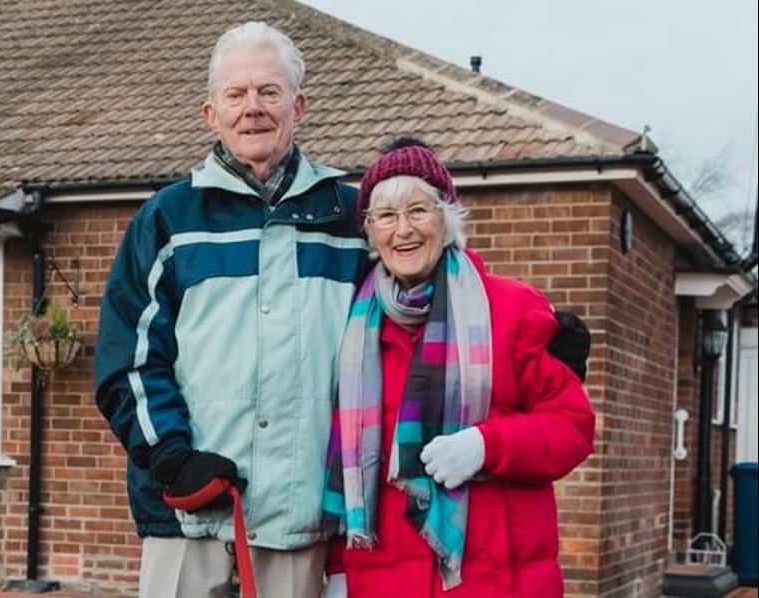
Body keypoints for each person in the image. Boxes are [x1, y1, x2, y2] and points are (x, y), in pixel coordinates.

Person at [94, 21, 591, 598]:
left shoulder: (349, 218)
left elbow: (431, 273)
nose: (252, 108)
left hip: (304, 523)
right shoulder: (167, 220)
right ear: (211, 113)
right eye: (236, 94)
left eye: (269, 92)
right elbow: (127, 359)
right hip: (192, 515)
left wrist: (542, 331)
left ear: (299, 106)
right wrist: (171, 456)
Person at [322, 139, 595, 597]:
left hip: (496, 583)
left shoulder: (511, 309)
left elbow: (572, 428)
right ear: (371, 231)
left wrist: (487, 445)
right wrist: (340, 570)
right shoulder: (353, 330)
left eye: (418, 210)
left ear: (447, 218)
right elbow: (340, 460)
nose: (402, 229)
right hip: (383, 584)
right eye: (385, 216)